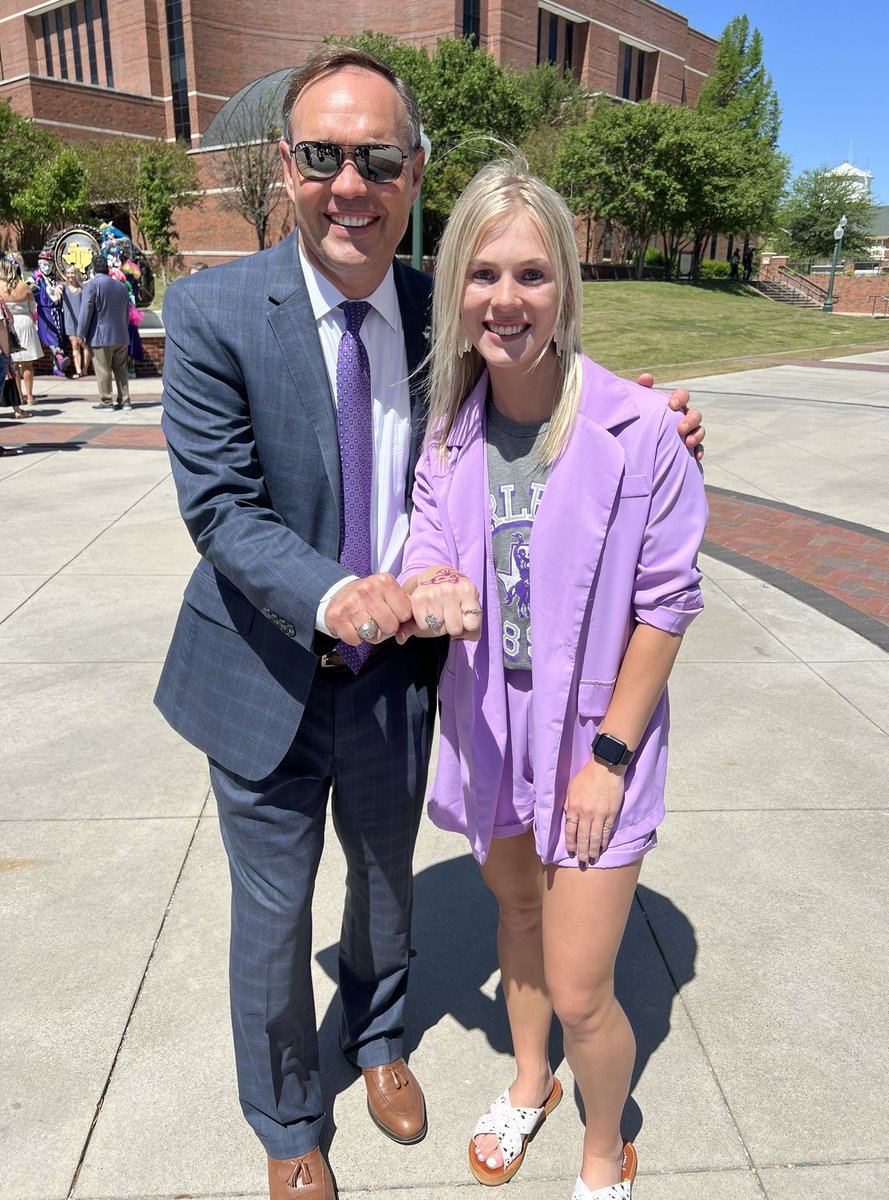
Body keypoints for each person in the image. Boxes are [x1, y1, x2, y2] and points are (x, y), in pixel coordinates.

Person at [153, 47, 705, 1200]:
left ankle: (384, 1041)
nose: (349, 184)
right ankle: (292, 1123)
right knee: (273, 913)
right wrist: (338, 593)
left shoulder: (435, 306)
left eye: (377, 158)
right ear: (285, 166)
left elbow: (544, 372)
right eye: (322, 157)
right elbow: (220, 506)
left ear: (413, 172)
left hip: (403, 680)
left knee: (389, 885)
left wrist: (654, 416)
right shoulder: (209, 310)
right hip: (264, 669)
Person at [395, 160, 708, 1200]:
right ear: (457, 291)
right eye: (483, 274)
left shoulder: (639, 430)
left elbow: (665, 606)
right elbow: (426, 554)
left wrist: (610, 759)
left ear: (566, 285)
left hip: (596, 742)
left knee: (581, 990)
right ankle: (529, 1084)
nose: (507, 299)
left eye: (532, 273)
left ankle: (601, 1139)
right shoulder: (451, 434)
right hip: (492, 729)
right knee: (517, 924)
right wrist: (431, 589)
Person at [78, 254, 132, 411]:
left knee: (103, 369)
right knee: (121, 369)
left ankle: (106, 401)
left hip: (101, 336)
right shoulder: (122, 287)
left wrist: (81, 333)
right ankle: (125, 400)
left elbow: (85, 311)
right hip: (121, 334)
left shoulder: (92, 285)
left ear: (93, 270)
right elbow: (126, 312)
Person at [0, 257, 42, 409]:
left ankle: (19, 397)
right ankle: (30, 395)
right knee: (27, 363)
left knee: (14, 364)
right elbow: (32, 308)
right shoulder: (24, 286)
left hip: (8, 324)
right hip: (25, 322)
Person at [61, 266, 91, 378]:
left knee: (85, 345)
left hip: (82, 321)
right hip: (69, 321)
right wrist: (57, 290)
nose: (70, 275)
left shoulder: (82, 288)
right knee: (75, 345)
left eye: (72, 273)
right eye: (68, 273)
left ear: (76, 274)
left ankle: (85, 369)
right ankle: (78, 371)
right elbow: (58, 287)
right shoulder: (64, 287)